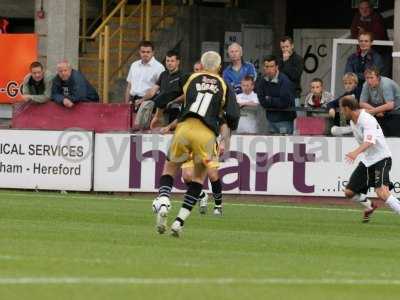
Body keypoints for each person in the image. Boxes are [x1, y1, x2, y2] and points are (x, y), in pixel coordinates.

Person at [152, 51, 240, 237]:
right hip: (206, 135)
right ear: (219, 68)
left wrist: (157, 112)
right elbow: (233, 115)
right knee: (199, 179)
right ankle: (178, 222)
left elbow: (165, 95)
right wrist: (226, 138)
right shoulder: (225, 85)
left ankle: (164, 200)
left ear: (201, 64)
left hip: (184, 128)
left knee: (169, 169)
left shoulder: (189, 77)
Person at [340, 96, 400, 222]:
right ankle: (369, 206)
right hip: (368, 161)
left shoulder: (366, 119)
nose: (341, 112)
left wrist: (355, 153)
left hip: (381, 158)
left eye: (342, 109)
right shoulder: (352, 121)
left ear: (347, 108)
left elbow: (369, 142)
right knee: (349, 192)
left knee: (382, 192)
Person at [135, 50, 184, 130]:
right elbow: (153, 91)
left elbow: (186, 94)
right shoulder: (163, 74)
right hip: (161, 109)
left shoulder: (183, 75)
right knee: (147, 103)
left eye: (172, 61)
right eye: (167, 61)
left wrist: (174, 101)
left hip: (175, 109)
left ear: (178, 62)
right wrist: (142, 100)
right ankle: (144, 125)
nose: (169, 63)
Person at [256, 55, 296, 134]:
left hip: (285, 120)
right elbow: (262, 101)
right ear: (264, 67)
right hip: (270, 120)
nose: (269, 69)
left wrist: (269, 99)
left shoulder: (284, 81)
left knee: (285, 145)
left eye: (271, 66)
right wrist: (274, 100)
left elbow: (285, 102)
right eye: (267, 66)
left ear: (277, 67)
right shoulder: (262, 81)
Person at [359, 67, 400, 137]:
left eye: (372, 78)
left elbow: (390, 105)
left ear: (378, 77)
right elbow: (362, 103)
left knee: (393, 136)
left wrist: (373, 111)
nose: (369, 81)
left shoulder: (385, 84)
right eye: (367, 78)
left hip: (396, 111)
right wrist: (375, 111)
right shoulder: (366, 84)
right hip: (380, 111)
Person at [124, 41, 165, 110]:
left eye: (148, 52)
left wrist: (141, 101)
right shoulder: (134, 65)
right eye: (143, 52)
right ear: (139, 52)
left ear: (153, 53)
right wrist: (126, 104)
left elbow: (160, 89)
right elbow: (129, 86)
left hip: (149, 102)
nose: (145, 54)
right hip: (133, 101)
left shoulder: (159, 67)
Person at [278, 36, 304, 106]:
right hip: (280, 95)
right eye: (283, 47)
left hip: (294, 94)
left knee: (294, 116)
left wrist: (286, 62)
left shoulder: (298, 59)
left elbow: (295, 75)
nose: (285, 49)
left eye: (287, 46)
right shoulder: (279, 60)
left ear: (292, 46)